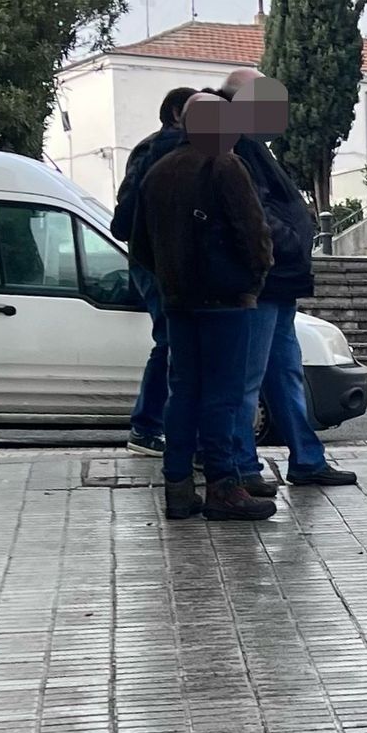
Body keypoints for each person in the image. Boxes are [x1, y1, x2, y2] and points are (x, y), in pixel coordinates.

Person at [130, 92, 276, 521]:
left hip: (178, 299)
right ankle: (223, 486)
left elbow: (139, 244)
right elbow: (253, 232)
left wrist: (169, 280)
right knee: (224, 395)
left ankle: (178, 485)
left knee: (184, 392)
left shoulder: (158, 171)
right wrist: (254, 276)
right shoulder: (226, 165)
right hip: (226, 300)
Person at [219, 68, 358, 490]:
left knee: (284, 372)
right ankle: (243, 466)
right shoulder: (236, 147)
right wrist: (289, 241)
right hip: (263, 281)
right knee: (248, 379)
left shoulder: (254, 146)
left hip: (279, 282)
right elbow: (252, 213)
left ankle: (306, 458)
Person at [111, 85, 197, 457]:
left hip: (155, 259)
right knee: (171, 341)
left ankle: (153, 426)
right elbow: (129, 215)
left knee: (172, 342)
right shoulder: (163, 149)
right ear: (178, 113)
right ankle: (148, 426)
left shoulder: (151, 149)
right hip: (159, 261)